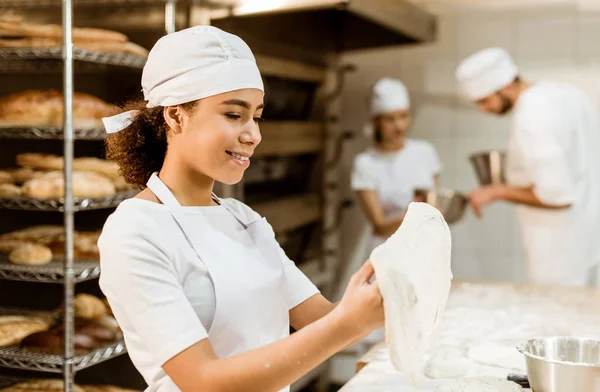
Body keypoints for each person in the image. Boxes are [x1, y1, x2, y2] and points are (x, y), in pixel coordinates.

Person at [97, 26, 384, 392]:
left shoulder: (242, 218)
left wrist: (388, 290)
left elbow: (323, 320)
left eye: (256, 117)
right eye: (234, 115)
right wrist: (349, 324)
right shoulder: (136, 231)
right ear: (175, 117)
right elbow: (203, 381)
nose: (254, 135)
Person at [456, 47, 600, 287]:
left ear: (504, 86)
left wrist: (496, 191)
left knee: (555, 319)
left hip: (557, 254)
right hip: (586, 242)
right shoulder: (565, 94)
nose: (483, 109)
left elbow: (558, 197)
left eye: (484, 100)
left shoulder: (531, 117)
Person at [350, 77, 442, 344]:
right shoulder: (366, 163)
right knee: (385, 335)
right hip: (387, 256)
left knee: (423, 331)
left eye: (403, 116)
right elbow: (379, 223)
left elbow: (432, 200)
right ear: (375, 121)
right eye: (390, 119)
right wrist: (418, 215)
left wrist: (432, 212)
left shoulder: (425, 153)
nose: (399, 125)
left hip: (424, 254)